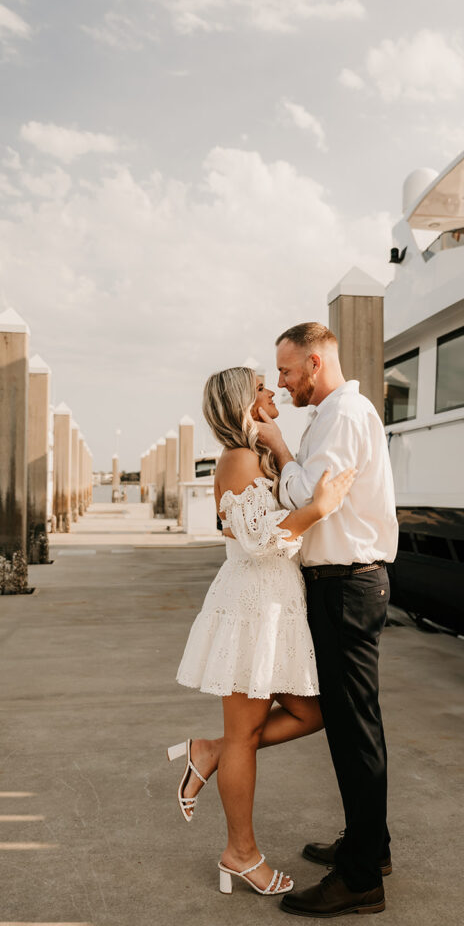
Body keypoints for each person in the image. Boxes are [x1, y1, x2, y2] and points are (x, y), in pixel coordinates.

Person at [170, 366, 356, 898]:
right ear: (241, 403)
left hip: (275, 603)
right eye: (259, 386)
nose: (270, 390)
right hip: (253, 606)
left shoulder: (258, 455)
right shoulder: (238, 458)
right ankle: (240, 854)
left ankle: (209, 751)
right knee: (247, 739)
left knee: (311, 712)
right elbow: (254, 539)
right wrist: (318, 509)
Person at [256, 322, 398, 919]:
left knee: (352, 728)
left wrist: (280, 449)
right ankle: (371, 846)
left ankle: (361, 877)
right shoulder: (337, 413)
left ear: (314, 363)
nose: (283, 382)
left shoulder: (343, 414)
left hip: (345, 585)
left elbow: (310, 497)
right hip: (344, 585)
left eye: (287, 371)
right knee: (354, 723)